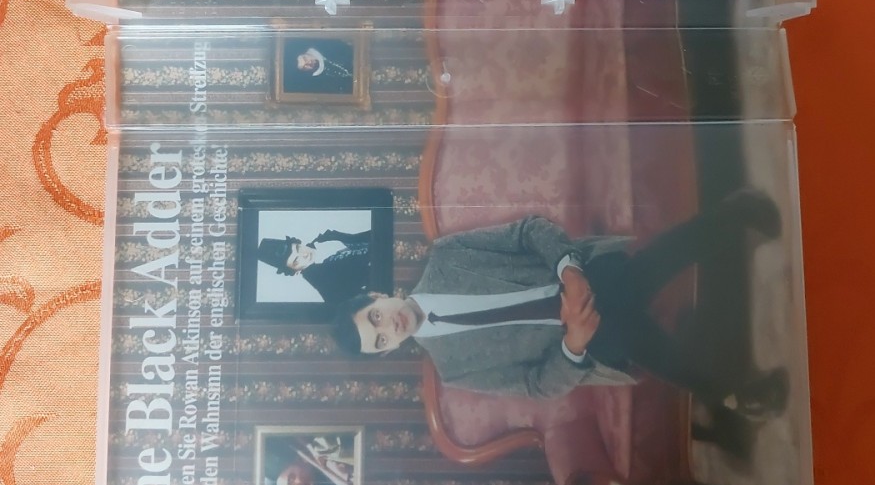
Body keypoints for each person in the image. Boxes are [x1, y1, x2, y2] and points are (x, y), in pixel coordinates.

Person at [330, 191, 788, 420]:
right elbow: (535, 386)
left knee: (626, 286)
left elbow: (527, 232)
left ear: (378, 295)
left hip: (583, 272)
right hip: (584, 345)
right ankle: (733, 216)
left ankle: (726, 392)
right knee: (621, 329)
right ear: (388, 351)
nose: (389, 325)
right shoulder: (455, 370)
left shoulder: (447, 256)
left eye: (375, 316)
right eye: (380, 339)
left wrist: (569, 272)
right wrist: (573, 346)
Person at [257, 227, 372, 305]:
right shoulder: (326, 284)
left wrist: (342, 237)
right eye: (297, 260)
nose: (304, 255)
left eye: (298, 248)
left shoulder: (325, 240)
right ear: (295, 271)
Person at [282, 38, 355, 96]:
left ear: (305, 53)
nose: (308, 63)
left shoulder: (326, 44)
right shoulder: (317, 85)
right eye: (304, 67)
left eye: (305, 58)